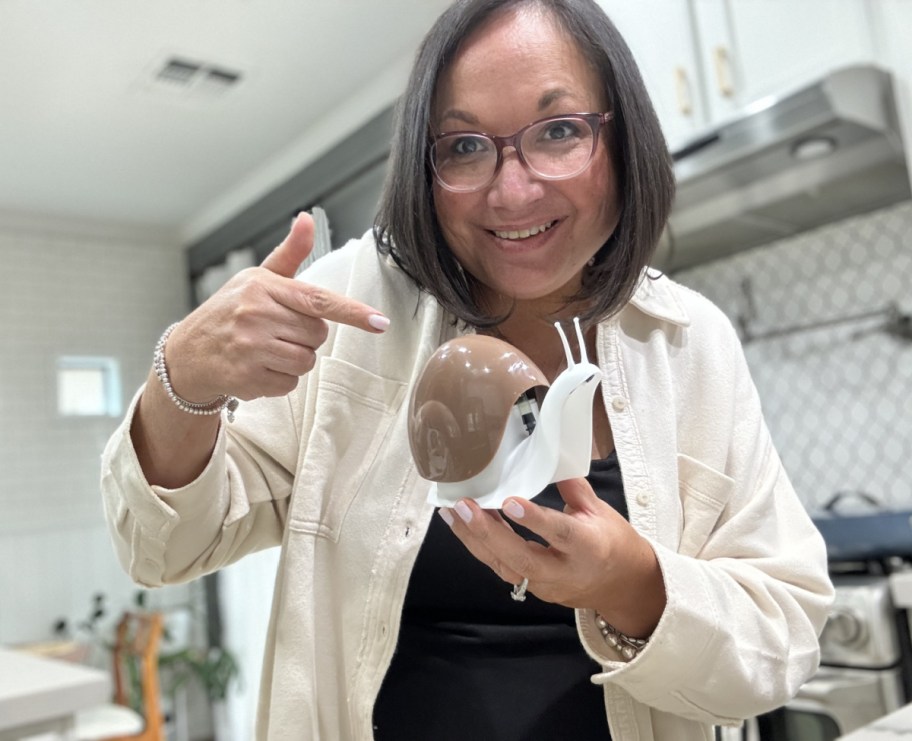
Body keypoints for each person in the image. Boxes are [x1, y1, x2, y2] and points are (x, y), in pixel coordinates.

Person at [100, 0, 834, 738]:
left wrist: (631, 584)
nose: (511, 191)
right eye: (463, 146)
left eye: (558, 131)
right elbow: (163, 545)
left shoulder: (690, 343)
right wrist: (184, 378)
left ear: (622, 135)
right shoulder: (354, 307)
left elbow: (784, 638)